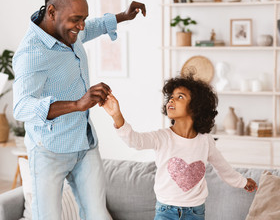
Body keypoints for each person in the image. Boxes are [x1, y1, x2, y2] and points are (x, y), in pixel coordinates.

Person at [12, 0, 146, 220]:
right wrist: (77, 104)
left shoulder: (67, 29)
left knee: (98, 215)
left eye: (83, 18)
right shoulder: (30, 54)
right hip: (49, 150)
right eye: (76, 19)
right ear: (51, 12)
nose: (81, 26)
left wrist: (123, 16)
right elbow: (22, 107)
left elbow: (91, 28)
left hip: (84, 144)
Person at [102, 76, 258, 220]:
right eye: (171, 97)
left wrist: (243, 181)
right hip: (165, 212)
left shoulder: (205, 141)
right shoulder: (162, 137)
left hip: (196, 213)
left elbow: (223, 168)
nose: (171, 100)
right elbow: (135, 141)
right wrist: (117, 116)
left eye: (180, 97)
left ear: (195, 107)